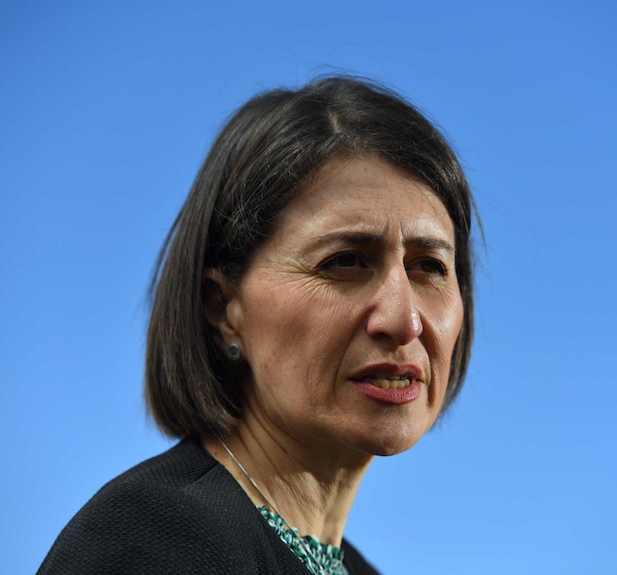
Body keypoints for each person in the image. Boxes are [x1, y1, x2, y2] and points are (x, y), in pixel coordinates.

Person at [38, 76, 476, 575]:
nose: (403, 321)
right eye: (344, 262)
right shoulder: (157, 544)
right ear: (223, 308)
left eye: (429, 267)